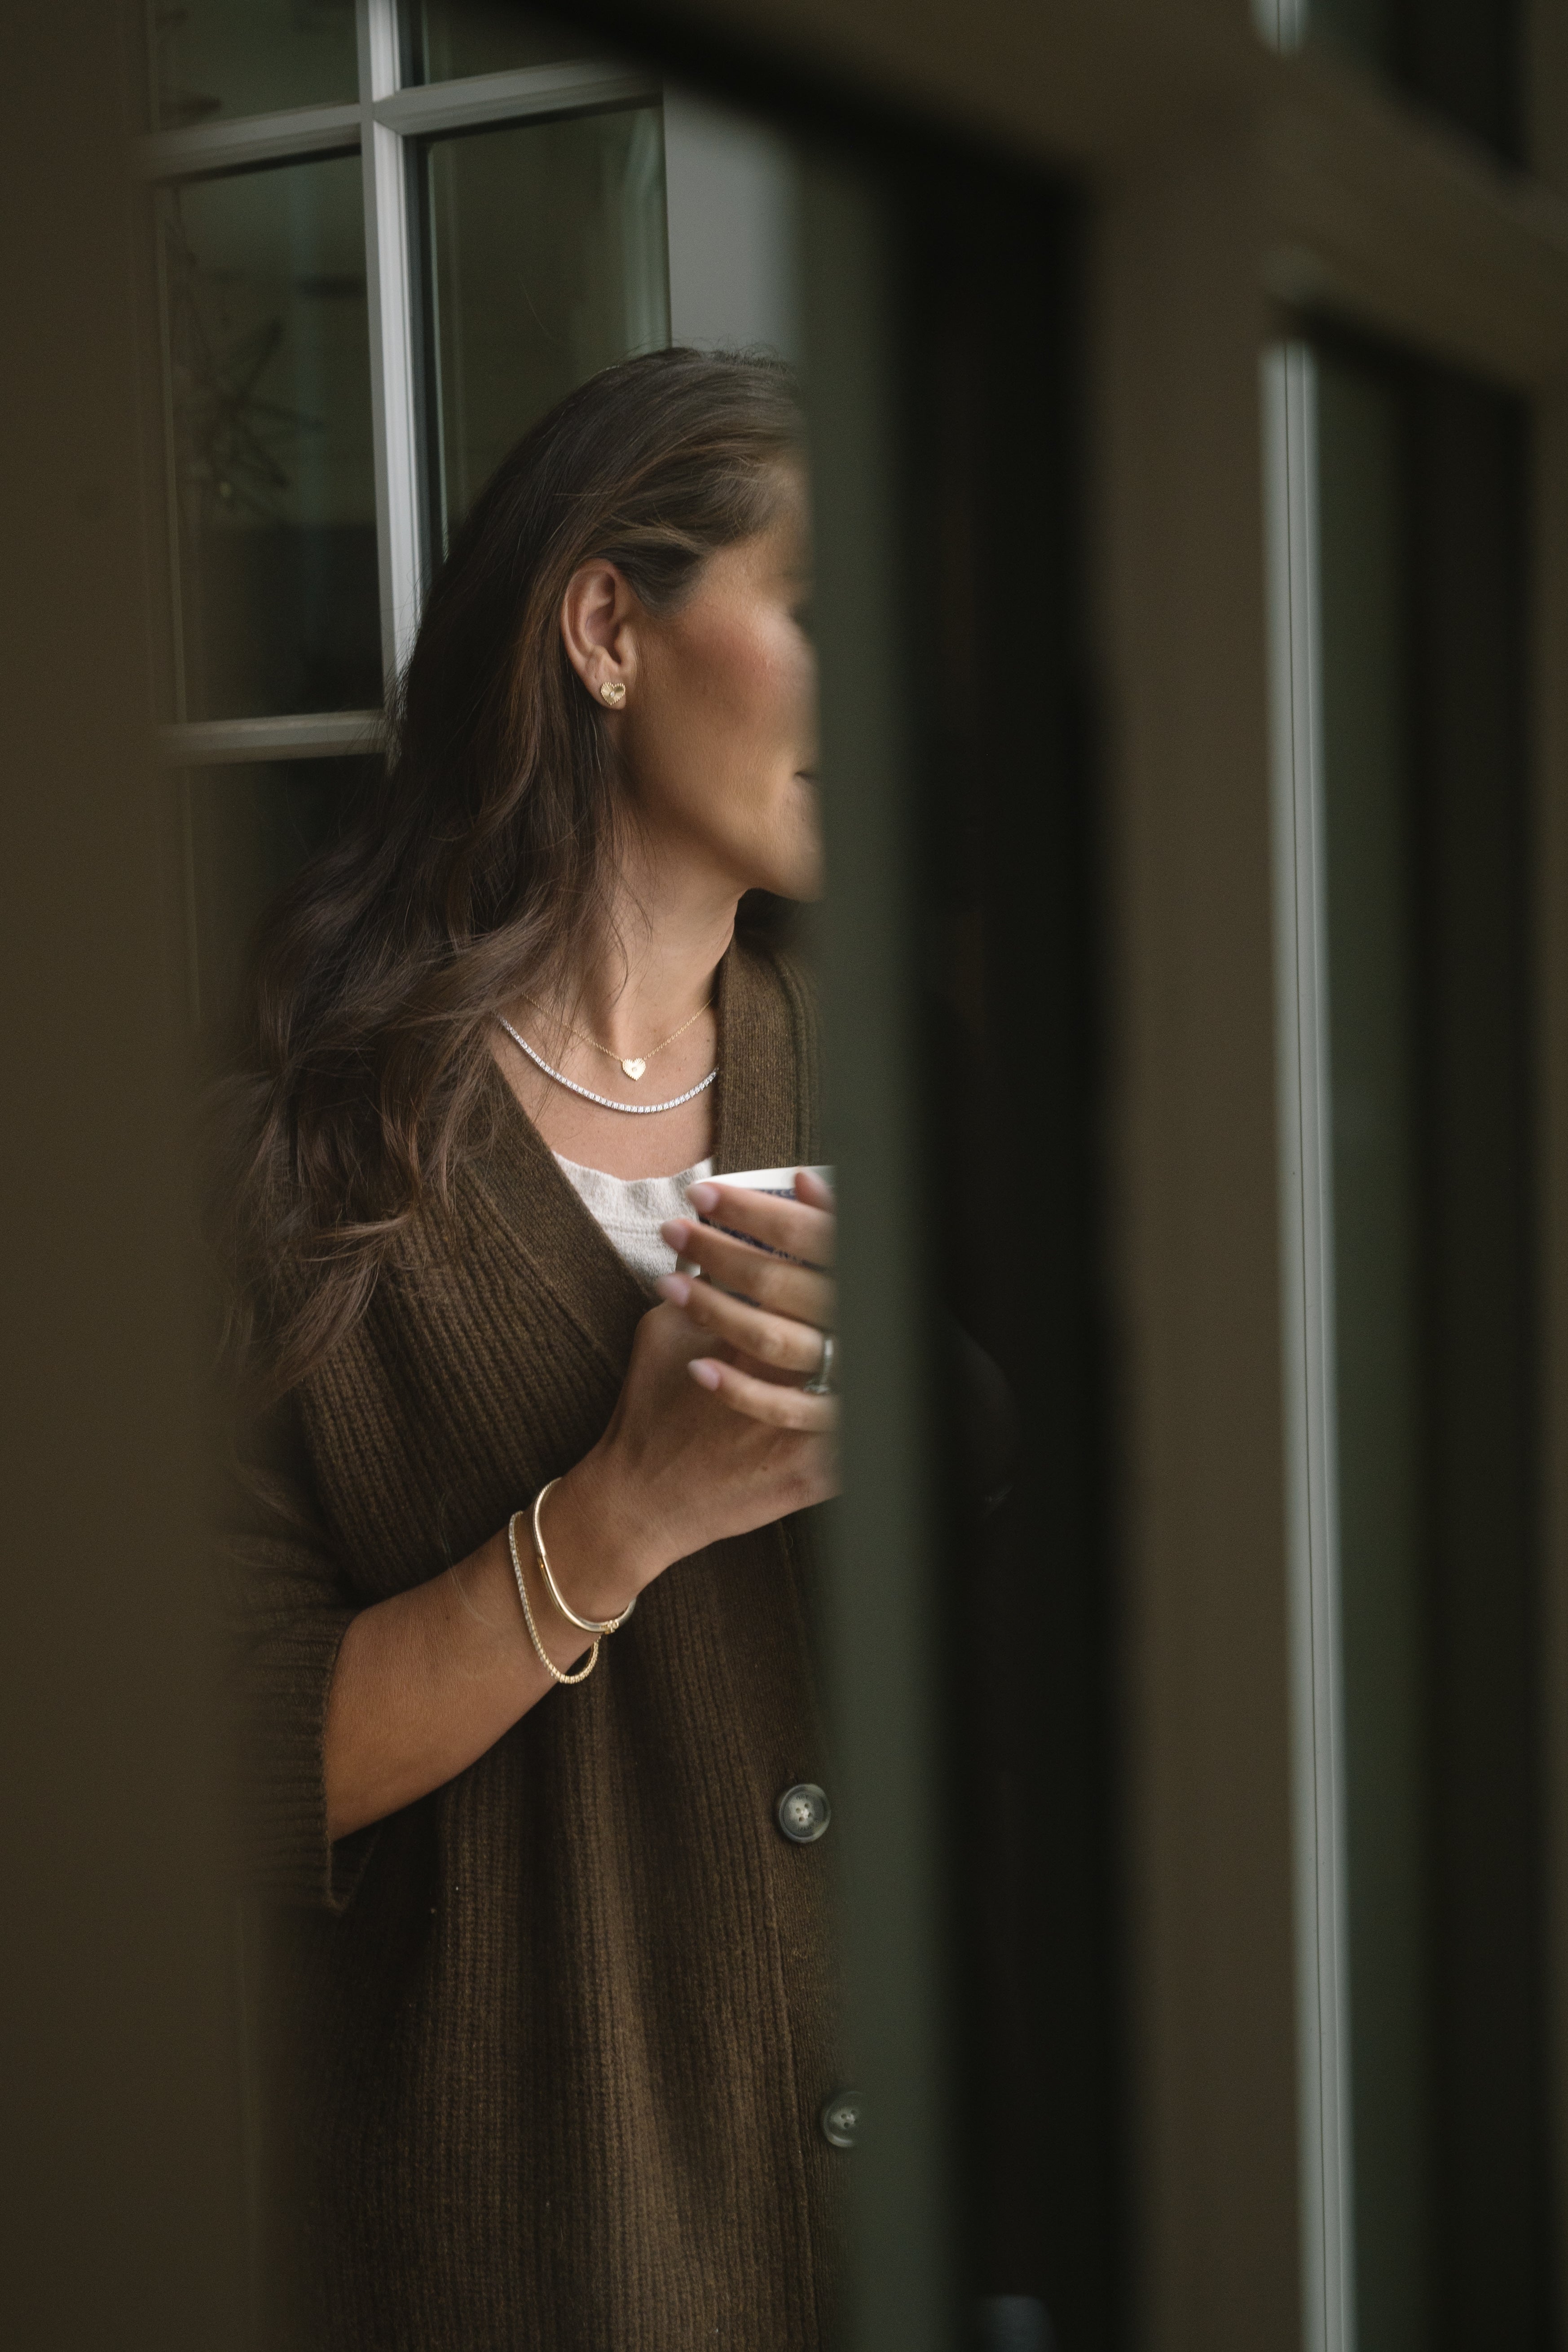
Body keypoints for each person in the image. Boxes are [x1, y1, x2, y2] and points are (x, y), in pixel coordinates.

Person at [217, 349, 842, 2351]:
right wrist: (617, 1514)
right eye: (823, 613)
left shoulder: (907, 1077)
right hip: (509, 2256)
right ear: (606, 628)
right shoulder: (292, 1152)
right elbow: (212, 1769)